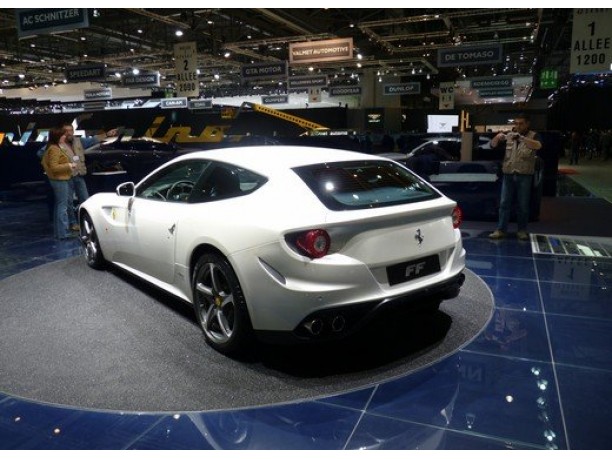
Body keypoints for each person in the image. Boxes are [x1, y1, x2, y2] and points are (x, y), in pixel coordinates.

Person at [489, 114, 542, 241]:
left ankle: (522, 230)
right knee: (504, 204)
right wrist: (497, 137)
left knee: (523, 205)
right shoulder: (509, 135)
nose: (518, 126)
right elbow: (492, 145)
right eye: (516, 123)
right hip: (508, 174)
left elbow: (538, 146)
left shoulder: (533, 135)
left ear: (527, 124)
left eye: (521, 123)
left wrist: (522, 139)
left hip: (524, 175)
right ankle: (501, 230)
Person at [60, 123, 118, 231]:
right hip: (66, 177)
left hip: (79, 175)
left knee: (85, 199)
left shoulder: (79, 141)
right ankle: (73, 223)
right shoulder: (57, 143)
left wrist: (107, 134)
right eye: (66, 131)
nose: (69, 133)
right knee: (68, 202)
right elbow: (41, 153)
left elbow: (93, 140)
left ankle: (87, 220)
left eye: (70, 130)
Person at [40, 127, 78, 240]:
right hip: (59, 180)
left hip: (59, 179)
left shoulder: (54, 147)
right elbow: (54, 167)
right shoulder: (54, 149)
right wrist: (69, 165)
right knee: (63, 207)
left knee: (59, 206)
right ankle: (63, 233)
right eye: (63, 135)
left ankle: (60, 233)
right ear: (57, 137)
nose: (65, 136)